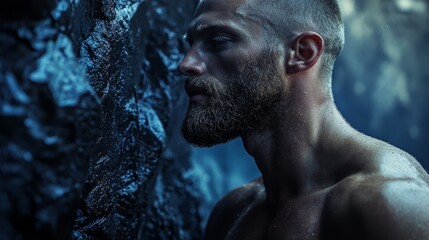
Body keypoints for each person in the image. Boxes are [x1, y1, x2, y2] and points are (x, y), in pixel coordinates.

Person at [178, 0, 429, 239]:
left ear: (302, 53)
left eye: (218, 41)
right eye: (190, 45)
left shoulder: (391, 203)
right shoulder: (231, 214)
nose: (186, 63)